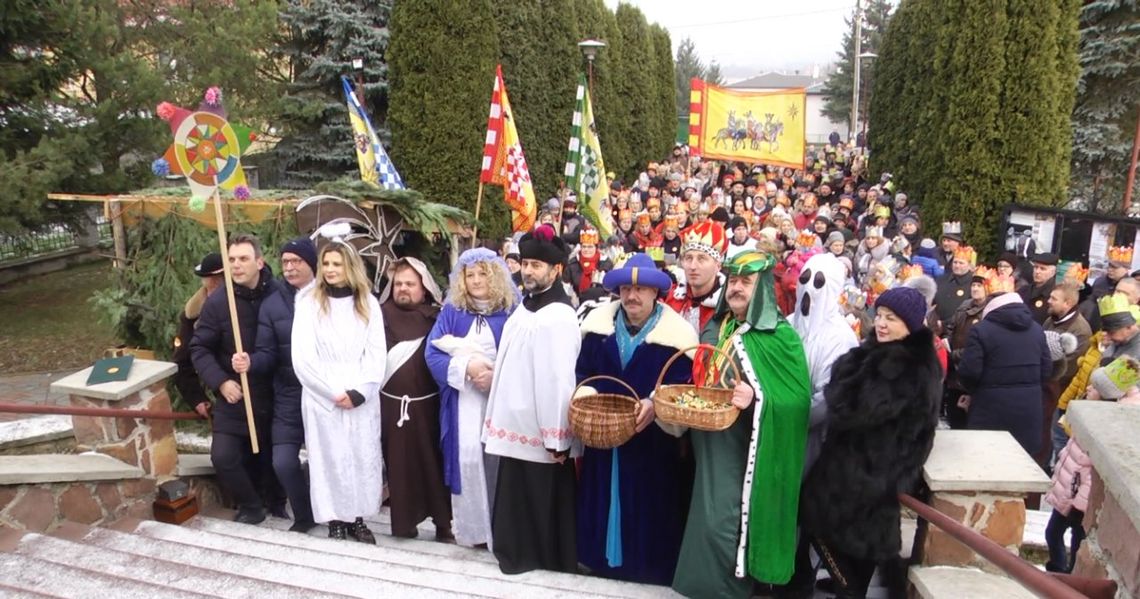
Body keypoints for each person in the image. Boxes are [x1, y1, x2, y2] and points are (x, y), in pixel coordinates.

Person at [671, 249, 813, 598]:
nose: (735, 288)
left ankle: (727, 592)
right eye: (733, 280)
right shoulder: (720, 327)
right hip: (710, 445)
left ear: (763, 289)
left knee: (727, 523)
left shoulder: (781, 337)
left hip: (746, 452)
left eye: (745, 282)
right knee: (705, 520)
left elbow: (797, 402)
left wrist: (758, 401)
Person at [801, 286, 942, 599]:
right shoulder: (880, 353)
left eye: (891, 318)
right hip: (855, 475)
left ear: (911, 324)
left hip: (869, 480)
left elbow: (850, 406)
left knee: (844, 559)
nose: (881, 323)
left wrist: (854, 370)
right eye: (879, 315)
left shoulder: (906, 366)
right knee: (843, 552)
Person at [575, 253, 698, 585]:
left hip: (653, 441)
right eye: (626, 289)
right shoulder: (596, 330)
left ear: (655, 293)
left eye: (641, 289)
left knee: (651, 503)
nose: (632, 296)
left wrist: (656, 403)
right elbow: (583, 374)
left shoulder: (677, 337)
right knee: (603, 494)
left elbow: (685, 387)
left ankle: (649, 567)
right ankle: (598, 560)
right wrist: (587, 400)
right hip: (605, 436)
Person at [482, 224, 581, 574]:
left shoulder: (559, 317)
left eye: (537, 265)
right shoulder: (524, 309)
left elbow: (557, 381)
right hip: (513, 421)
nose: (528, 271)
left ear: (556, 270)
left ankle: (544, 560)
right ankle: (514, 554)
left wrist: (557, 437)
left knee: (542, 500)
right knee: (514, 497)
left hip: (542, 431)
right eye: (525, 263)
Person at [291, 239, 386, 542]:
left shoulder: (368, 303)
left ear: (350, 266)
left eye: (337, 264)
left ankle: (357, 517)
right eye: (326, 264)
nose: (330, 270)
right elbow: (302, 358)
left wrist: (361, 391)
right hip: (322, 395)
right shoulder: (309, 303)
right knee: (328, 457)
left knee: (359, 455)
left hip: (360, 392)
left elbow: (376, 353)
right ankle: (334, 518)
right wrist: (332, 392)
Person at [426, 248, 519, 550]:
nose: (476, 280)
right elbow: (432, 353)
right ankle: (473, 530)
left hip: (499, 396)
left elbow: (522, 356)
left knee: (498, 459)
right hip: (464, 398)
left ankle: (501, 530)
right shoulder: (453, 311)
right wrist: (468, 367)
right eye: (470, 274)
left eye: (482, 273)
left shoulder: (512, 311)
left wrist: (495, 378)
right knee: (467, 456)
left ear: (495, 275)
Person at [190, 234, 284, 524]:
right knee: (224, 457)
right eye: (231, 260)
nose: (236, 265)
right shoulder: (218, 302)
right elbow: (199, 347)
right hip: (235, 395)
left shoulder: (279, 295)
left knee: (271, 457)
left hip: (272, 393)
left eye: (243, 259)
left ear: (259, 261)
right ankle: (251, 506)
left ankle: (277, 502)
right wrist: (220, 381)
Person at [231, 237, 318, 532]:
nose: (291, 268)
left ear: (312, 264)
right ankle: (304, 516)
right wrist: (251, 362)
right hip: (288, 393)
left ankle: (333, 514)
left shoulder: (328, 297)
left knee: (325, 457)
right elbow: (267, 353)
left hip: (322, 392)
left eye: (298, 262)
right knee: (283, 461)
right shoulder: (273, 303)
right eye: (286, 262)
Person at [376, 256, 452, 541]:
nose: (403, 289)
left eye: (410, 283)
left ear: (424, 287)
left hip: (429, 406)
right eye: (398, 284)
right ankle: (404, 524)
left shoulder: (438, 317)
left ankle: (443, 523)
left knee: (434, 464)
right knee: (399, 466)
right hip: (390, 405)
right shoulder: (378, 315)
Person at [1044, 356, 1140, 573]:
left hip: (1082, 498)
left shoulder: (1114, 423)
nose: (1088, 388)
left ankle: (1066, 579)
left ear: (1108, 396)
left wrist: (1079, 496)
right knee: (1053, 533)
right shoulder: (1094, 408)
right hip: (1070, 489)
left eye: (1095, 387)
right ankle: (1057, 573)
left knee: (1078, 542)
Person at [958, 291, 1052, 456]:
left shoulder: (980, 331)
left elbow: (969, 372)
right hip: (1029, 409)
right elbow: (1046, 370)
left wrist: (971, 391)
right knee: (1021, 462)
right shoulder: (1037, 330)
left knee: (986, 460)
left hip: (989, 408)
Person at [1040, 282, 1092, 466]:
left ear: (1067, 303)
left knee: (1050, 435)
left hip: (1058, 391)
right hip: (1043, 387)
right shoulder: (1050, 319)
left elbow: (1067, 368)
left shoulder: (1081, 331)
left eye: (1054, 298)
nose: (1048, 301)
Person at [173, 252, 224, 413]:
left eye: (217, 284)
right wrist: (197, 399)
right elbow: (182, 362)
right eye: (209, 286)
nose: (211, 293)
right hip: (225, 396)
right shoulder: (192, 317)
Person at [664, 221, 729, 333]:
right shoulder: (673, 298)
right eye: (689, 258)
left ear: (718, 265)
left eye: (701, 259)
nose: (693, 266)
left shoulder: (727, 305)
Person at [933, 246, 975, 326]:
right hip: (936, 326)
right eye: (955, 262)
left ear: (969, 265)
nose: (957, 266)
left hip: (958, 328)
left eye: (961, 263)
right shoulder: (941, 279)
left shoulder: (973, 284)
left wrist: (944, 324)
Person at [1020, 253, 1059, 324]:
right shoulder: (1023, 290)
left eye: (1043, 269)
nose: (1037, 272)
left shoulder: (1055, 295)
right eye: (1035, 267)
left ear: (1053, 272)